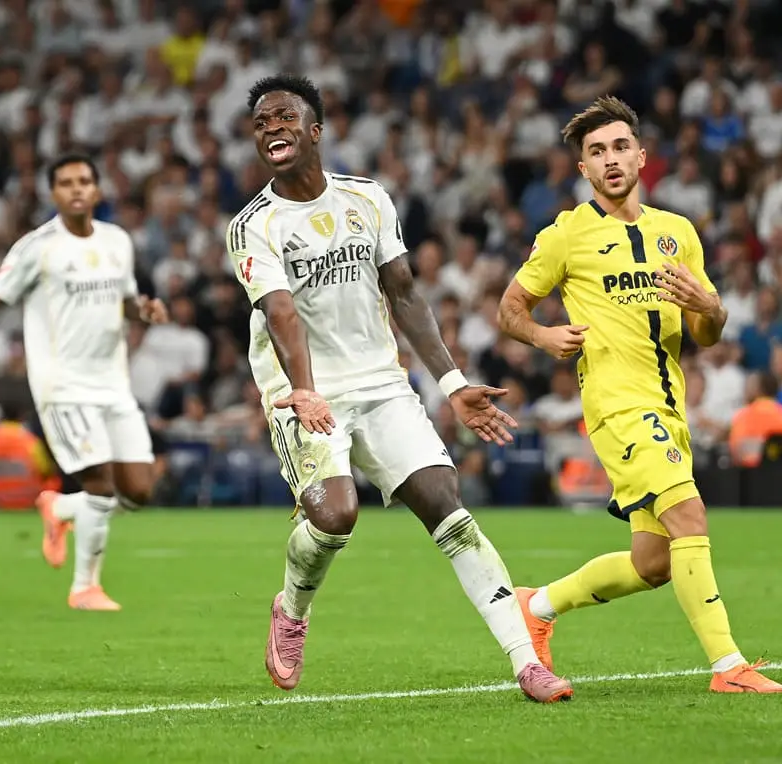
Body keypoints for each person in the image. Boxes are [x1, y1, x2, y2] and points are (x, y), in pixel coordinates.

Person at [228, 75, 571, 703]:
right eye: (261, 122)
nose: (272, 127)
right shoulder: (254, 225)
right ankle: (292, 608)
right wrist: (305, 390)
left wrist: (452, 384)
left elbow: (405, 294)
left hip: (382, 382)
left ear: (315, 131)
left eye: (284, 117)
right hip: (302, 389)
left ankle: (527, 662)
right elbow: (280, 312)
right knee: (335, 514)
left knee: (445, 500)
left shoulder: (368, 200)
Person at [497, 96, 782, 694]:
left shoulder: (677, 233)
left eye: (620, 147)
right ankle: (728, 667)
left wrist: (712, 308)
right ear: (583, 168)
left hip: (670, 407)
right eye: (596, 152)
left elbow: (706, 334)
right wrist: (544, 335)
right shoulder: (567, 235)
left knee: (653, 563)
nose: (610, 159)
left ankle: (536, 605)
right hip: (618, 406)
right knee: (690, 515)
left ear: (641, 156)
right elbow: (510, 309)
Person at [0, 154, 169, 612]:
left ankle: (61, 508)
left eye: (84, 181)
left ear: (97, 190)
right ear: (53, 193)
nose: (76, 189)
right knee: (98, 483)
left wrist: (144, 311)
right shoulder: (37, 248)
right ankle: (85, 588)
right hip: (64, 385)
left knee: (138, 491)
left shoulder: (117, 241)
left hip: (113, 383)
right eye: (66, 183)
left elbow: (125, 301)